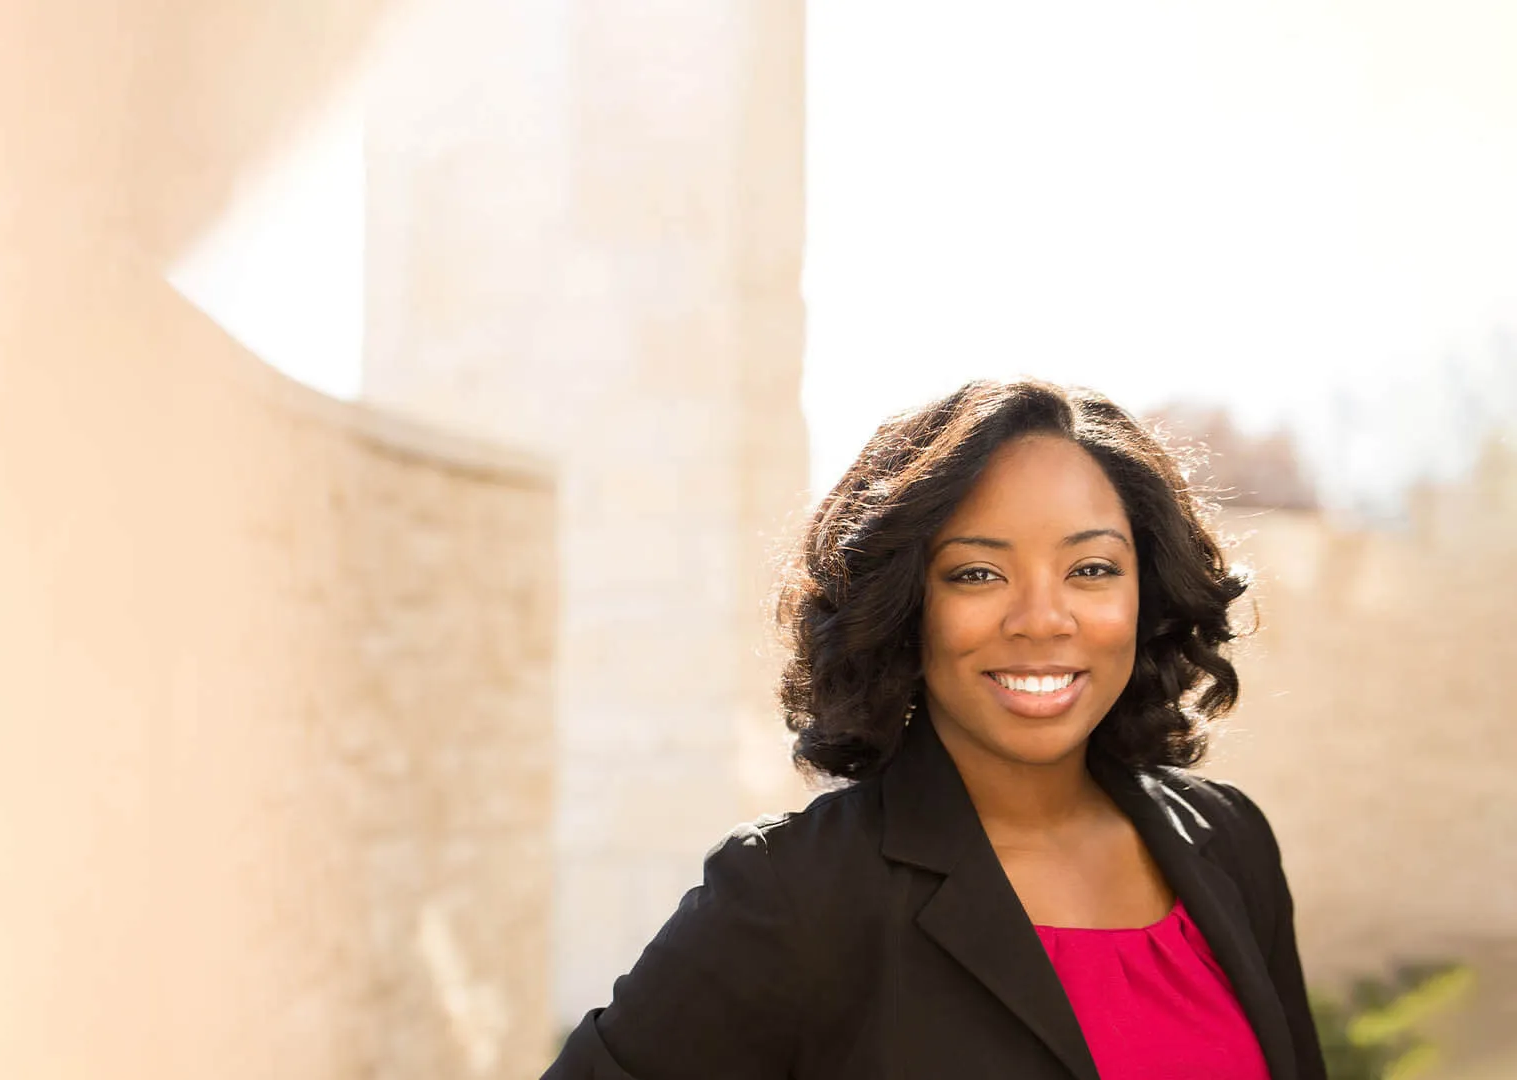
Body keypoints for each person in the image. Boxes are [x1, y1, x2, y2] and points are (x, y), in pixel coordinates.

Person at [543, 380, 1327, 1080]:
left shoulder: (1228, 841)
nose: (1042, 618)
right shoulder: (792, 894)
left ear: (1147, 595)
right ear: (905, 605)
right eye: (977, 574)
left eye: (1091, 569)